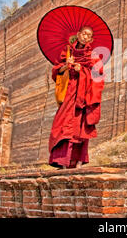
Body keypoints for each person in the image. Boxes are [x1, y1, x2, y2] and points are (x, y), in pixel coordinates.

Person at [48, 26, 105, 169]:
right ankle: (61, 161)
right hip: (69, 93)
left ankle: (77, 161)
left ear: (91, 40)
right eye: (83, 34)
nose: (85, 37)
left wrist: (83, 71)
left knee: (79, 127)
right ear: (78, 34)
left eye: (89, 36)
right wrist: (66, 66)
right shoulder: (67, 52)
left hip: (83, 95)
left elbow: (98, 75)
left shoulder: (93, 55)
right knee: (61, 124)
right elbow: (56, 70)